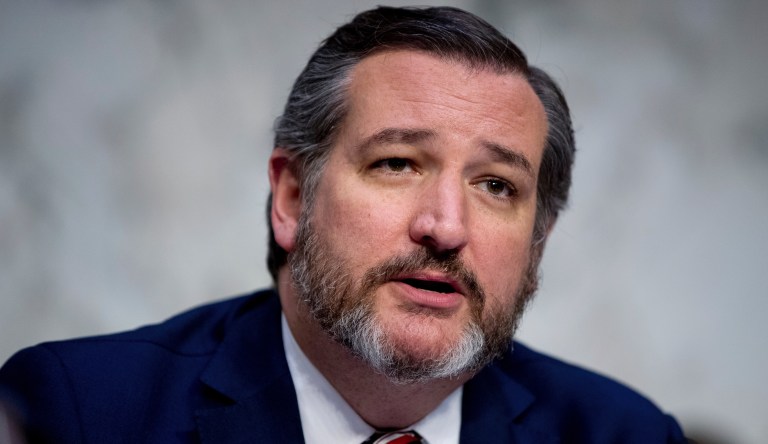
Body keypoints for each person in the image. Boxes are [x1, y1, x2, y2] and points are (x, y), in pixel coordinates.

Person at [0, 6, 687, 443]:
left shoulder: (623, 435)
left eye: (496, 185)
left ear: (538, 245)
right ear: (293, 197)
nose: (445, 227)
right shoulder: (82, 413)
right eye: (396, 164)